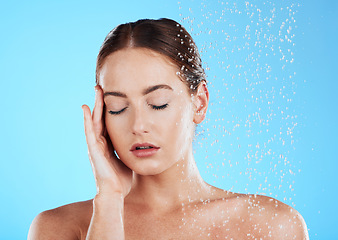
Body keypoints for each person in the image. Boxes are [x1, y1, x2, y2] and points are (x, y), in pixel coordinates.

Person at [28, 18, 308, 239]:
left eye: (158, 104)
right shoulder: (60, 228)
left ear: (199, 103)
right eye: (117, 108)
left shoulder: (272, 225)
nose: (138, 126)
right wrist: (110, 199)